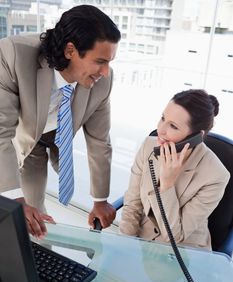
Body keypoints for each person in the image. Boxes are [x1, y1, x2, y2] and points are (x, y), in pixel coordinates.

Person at [0, 5, 121, 238]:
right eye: (100, 61)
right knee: (16, 210)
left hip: (48, 136)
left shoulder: (103, 81)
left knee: (36, 216)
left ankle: (43, 268)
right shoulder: (12, 55)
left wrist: (100, 200)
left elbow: (99, 141)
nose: (106, 71)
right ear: (70, 51)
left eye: (110, 62)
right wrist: (15, 201)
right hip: (16, 135)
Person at [119, 89, 230, 250]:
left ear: (197, 137)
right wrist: (124, 244)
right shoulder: (148, 147)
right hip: (141, 241)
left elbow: (175, 236)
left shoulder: (216, 176)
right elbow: (133, 203)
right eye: (163, 118)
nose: (160, 130)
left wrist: (167, 184)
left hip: (184, 251)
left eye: (173, 126)